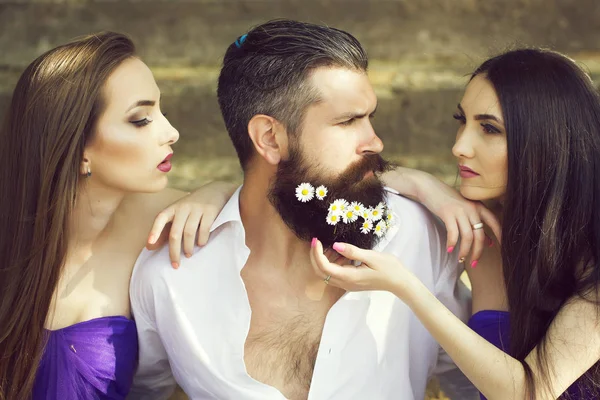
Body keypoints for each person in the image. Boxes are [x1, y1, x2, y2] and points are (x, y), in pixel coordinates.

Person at [128, 19, 499, 400]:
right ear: (270, 138)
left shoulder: (419, 237)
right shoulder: (169, 278)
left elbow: (475, 387)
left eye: (369, 117)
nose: (374, 141)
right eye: (348, 121)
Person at [311, 48, 600, 399]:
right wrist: (427, 186)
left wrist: (406, 287)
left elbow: (529, 392)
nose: (459, 146)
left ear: (549, 143)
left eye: (490, 129)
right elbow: (315, 187)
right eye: (462, 120)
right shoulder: (489, 229)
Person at [0, 31, 235, 400]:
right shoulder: (11, 244)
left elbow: (249, 204)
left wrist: (215, 192)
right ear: (77, 149)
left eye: (160, 111)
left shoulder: (160, 218)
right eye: (141, 119)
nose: (171, 132)